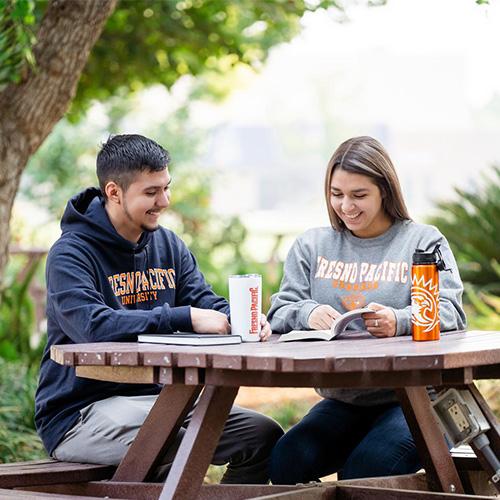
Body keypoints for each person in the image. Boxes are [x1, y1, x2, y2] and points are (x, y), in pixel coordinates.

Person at [35, 134, 283, 483]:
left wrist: (241, 318)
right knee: (182, 447)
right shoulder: (71, 253)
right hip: (80, 414)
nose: (164, 201)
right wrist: (184, 318)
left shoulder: (168, 244)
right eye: (151, 192)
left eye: (166, 187)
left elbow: (202, 300)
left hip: (165, 402)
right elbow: (92, 325)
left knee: (262, 435)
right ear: (114, 192)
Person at [268, 136, 466, 484]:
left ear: (385, 191)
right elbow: (280, 309)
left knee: (365, 471)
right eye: (336, 194)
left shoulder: (422, 241)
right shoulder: (312, 245)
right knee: (286, 460)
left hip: (415, 399)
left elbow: (450, 311)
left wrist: (399, 320)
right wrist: (308, 312)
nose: (346, 206)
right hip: (345, 400)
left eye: (359, 195)